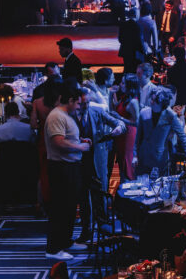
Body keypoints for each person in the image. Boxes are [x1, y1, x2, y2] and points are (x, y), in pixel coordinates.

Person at [44, 84, 91, 261]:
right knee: (60, 209)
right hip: (61, 167)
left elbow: (67, 138)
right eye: (77, 103)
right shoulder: (56, 116)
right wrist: (79, 147)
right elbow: (58, 142)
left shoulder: (65, 115)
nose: (79, 106)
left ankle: (65, 241)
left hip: (70, 166)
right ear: (70, 100)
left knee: (69, 207)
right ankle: (53, 248)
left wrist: (79, 140)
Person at [73, 92, 126, 243]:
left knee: (100, 195)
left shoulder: (97, 111)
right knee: (83, 198)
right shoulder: (69, 114)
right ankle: (86, 231)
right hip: (78, 162)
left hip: (97, 161)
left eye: (87, 103)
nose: (84, 106)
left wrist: (118, 129)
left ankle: (103, 231)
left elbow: (119, 123)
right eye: (82, 104)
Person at [134, 87, 186, 175]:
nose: (151, 102)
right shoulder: (144, 113)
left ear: (162, 103)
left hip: (161, 157)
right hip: (144, 155)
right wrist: (135, 155)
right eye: (151, 99)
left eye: (154, 100)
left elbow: (182, 136)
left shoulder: (170, 115)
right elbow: (138, 137)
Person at [113, 74, 139, 181]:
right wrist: (111, 94)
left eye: (123, 83)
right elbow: (113, 109)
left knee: (127, 161)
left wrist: (120, 118)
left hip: (129, 135)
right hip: (121, 134)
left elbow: (137, 122)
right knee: (121, 161)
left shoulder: (133, 101)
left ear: (130, 85)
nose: (120, 84)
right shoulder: (124, 98)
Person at [119, 9, 146, 74]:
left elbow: (120, 39)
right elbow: (139, 41)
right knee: (134, 71)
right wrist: (144, 51)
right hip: (135, 53)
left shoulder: (123, 25)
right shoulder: (138, 26)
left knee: (127, 69)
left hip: (125, 51)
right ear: (136, 15)